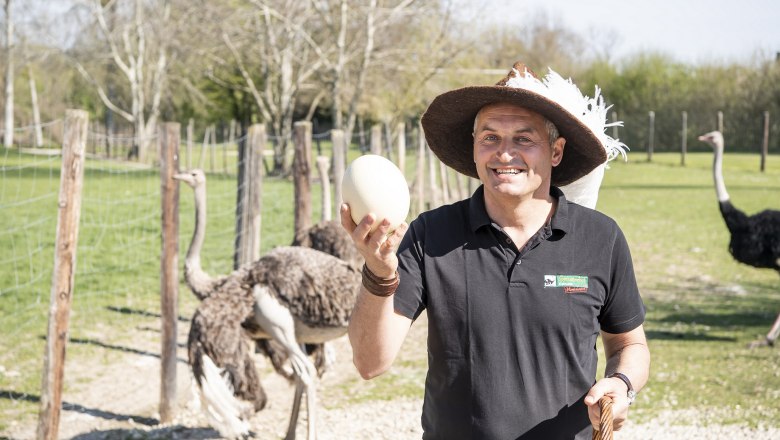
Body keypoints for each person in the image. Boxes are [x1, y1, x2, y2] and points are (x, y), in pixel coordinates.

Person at [341, 61, 650, 439]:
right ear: (474, 148)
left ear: (556, 151)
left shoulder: (600, 238)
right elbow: (370, 363)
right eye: (490, 137)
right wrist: (379, 274)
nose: (504, 153)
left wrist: (622, 383)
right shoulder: (430, 235)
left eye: (523, 139)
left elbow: (629, 343)